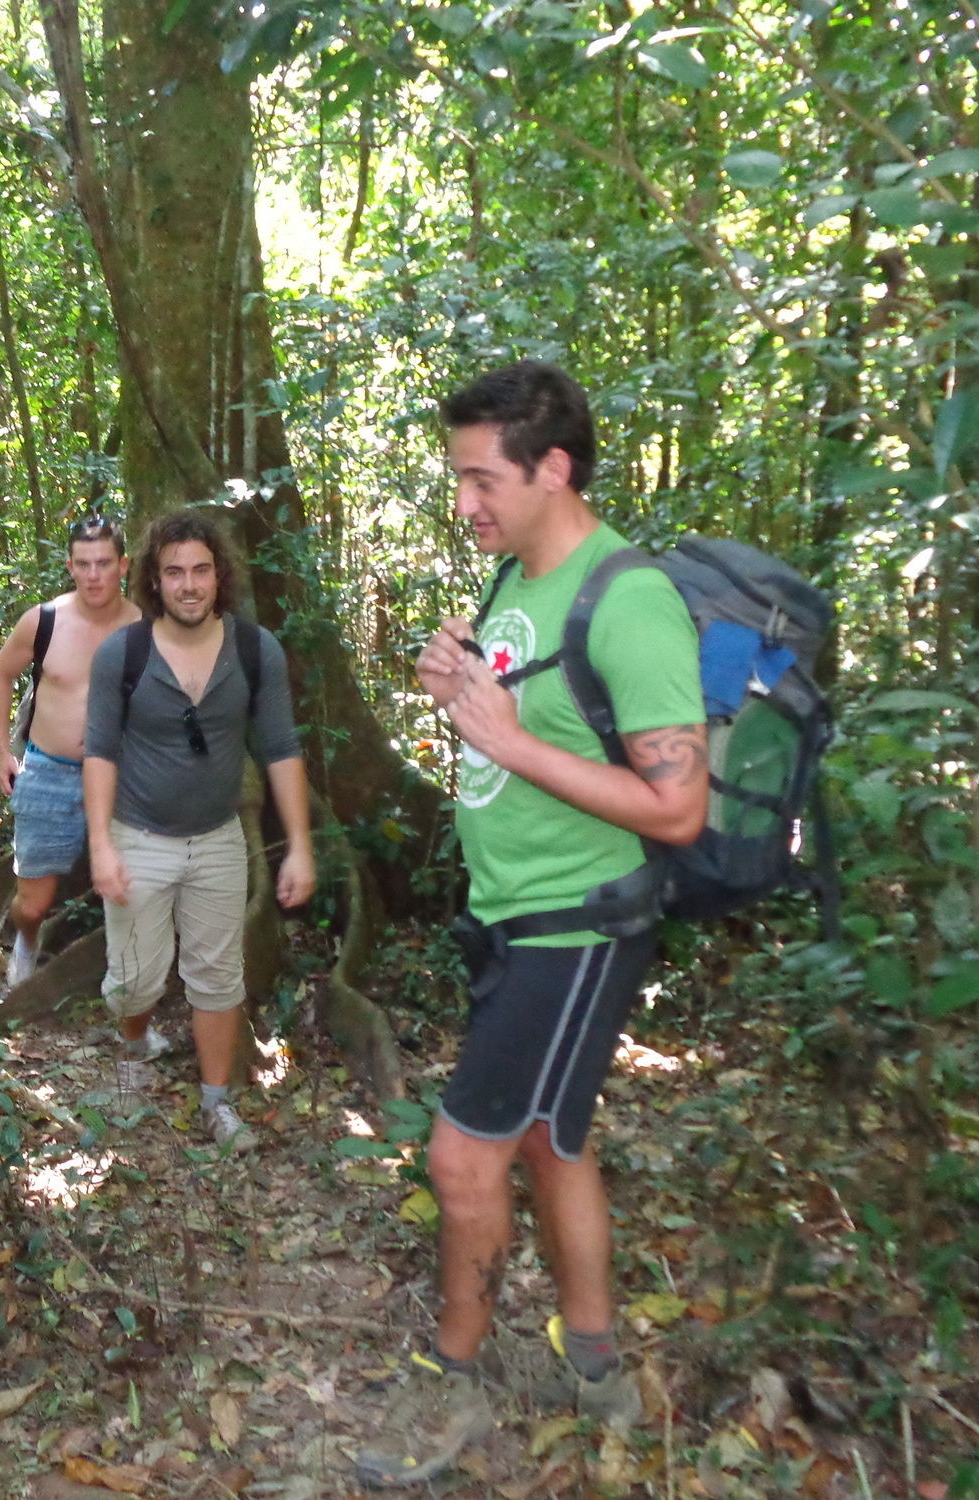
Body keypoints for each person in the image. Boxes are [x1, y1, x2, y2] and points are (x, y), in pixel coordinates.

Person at [355, 362, 706, 1487]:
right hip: (509, 918)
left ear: (551, 469)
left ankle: (449, 1384)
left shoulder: (629, 596)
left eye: (478, 479)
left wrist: (507, 742)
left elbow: (678, 805)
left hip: (576, 927)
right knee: (554, 1144)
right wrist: (448, 688)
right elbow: (509, 712)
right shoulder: (515, 577)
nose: (463, 504)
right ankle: (594, 1367)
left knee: (462, 1161)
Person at [81, 508, 315, 1153]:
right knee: (136, 979)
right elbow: (99, 751)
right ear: (155, 580)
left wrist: (298, 845)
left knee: (218, 976)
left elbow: (281, 748)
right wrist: (100, 845)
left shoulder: (252, 649)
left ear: (219, 577)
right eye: (175, 571)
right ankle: (134, 1044)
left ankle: (217, 1105)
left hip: (219, 840)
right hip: (138, 838)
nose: (189, 585)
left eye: (202, 570)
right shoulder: (122, 654)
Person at [0, 517, 142, 987]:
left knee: (128, 890)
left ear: (123, 566)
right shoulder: (44, 620)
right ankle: (28, 941)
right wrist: (1, 752)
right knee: (33, 904)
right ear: (69, 566)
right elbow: (0, 675)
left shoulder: (144, 629)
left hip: (121, 776)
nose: (94, 574)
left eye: (103, 563)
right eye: (83, 564)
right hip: (48, 771)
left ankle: (131, 987)